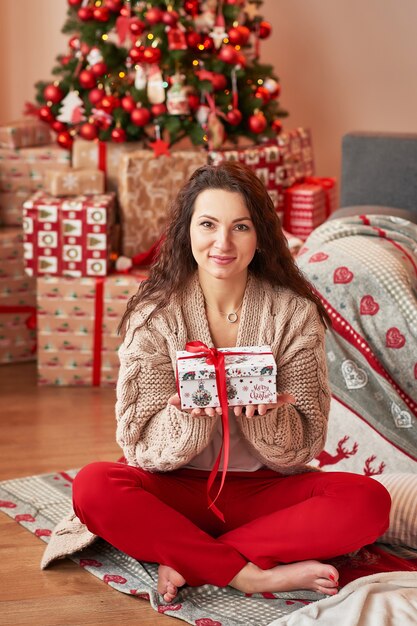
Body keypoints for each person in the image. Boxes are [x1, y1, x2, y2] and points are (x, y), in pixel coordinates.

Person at [71, 161, 391, 603]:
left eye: (239, 227)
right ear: (187, 233)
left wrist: (273, 414)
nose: (222, 243)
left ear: (259, 237)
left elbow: (307, 444)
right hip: (177, 487)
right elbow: (138, 442)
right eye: (208, 225)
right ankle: (252, 573)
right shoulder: (154, 313)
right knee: (93, 486)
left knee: (368, 502)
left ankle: (188, 556)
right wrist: (183, 416)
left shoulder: (293, 314)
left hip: (264, 489)